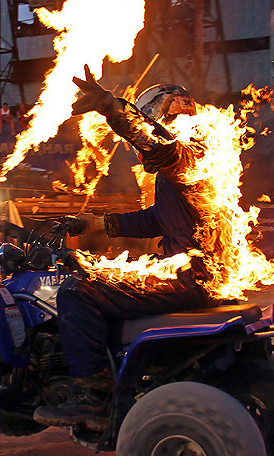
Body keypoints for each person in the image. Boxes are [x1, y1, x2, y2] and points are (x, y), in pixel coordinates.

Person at [33, 68, 210, 428]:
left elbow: (155, 145)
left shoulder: (186, 154)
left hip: (187, 277)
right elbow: (159, 220)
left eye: (140, 133)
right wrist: (101, 223)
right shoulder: (196, 162)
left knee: (75, 294)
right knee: (100, 272)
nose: (137, 150)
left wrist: (113, 109)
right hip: (193, 270)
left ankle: (92, 393)